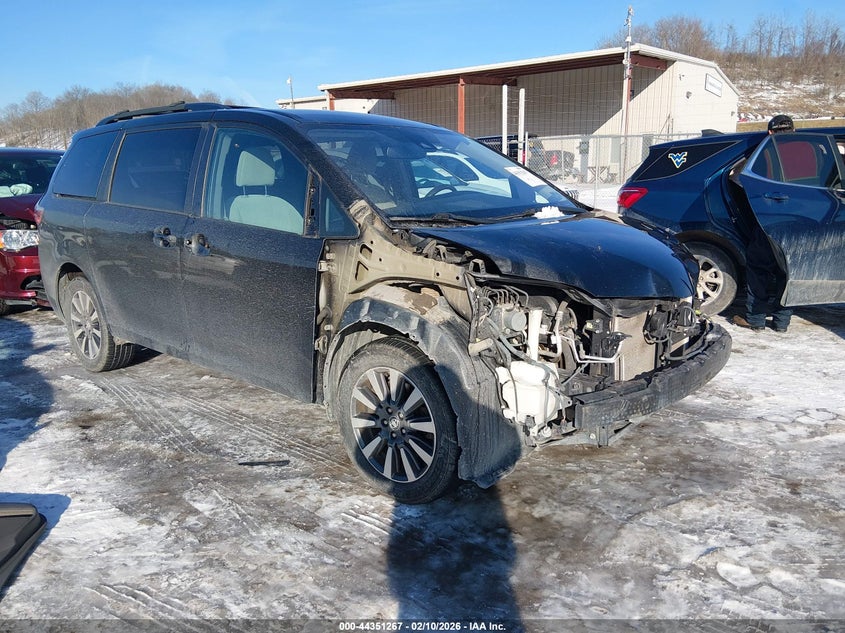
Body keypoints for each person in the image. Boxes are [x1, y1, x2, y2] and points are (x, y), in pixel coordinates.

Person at [732, 114, 795, 333]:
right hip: (801, 221)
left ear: (770, 132)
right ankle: (781, 322)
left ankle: (756, 319)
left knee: (759, 268)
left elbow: (739, 180)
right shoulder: (812, 151)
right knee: (787, 271)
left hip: (768, 220)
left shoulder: (764, 153)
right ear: (793, 131)